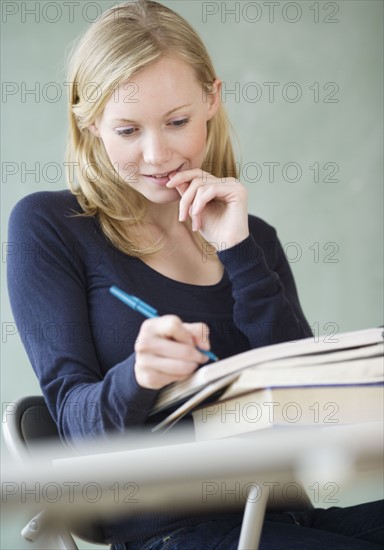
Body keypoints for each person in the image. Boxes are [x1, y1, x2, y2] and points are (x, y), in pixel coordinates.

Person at [7, 1, 383, 548]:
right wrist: (138, 375)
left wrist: (238, 250)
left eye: (178, 122)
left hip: (284, 519)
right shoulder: (50, 227)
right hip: (173, 533)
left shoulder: (254, 239)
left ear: (212, 98)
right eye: (128, 129)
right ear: (89, 121)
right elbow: (74, 430)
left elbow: (311, 410)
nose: (157, 154)